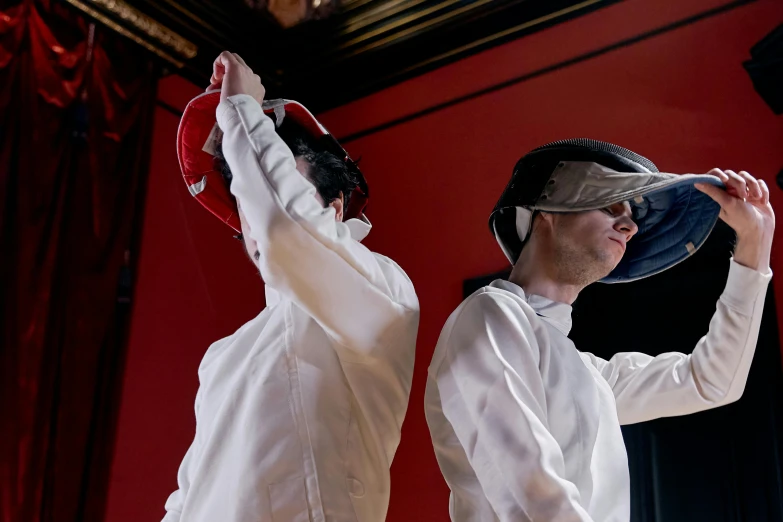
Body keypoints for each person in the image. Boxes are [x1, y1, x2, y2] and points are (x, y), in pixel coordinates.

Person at [424, 138, 774, 521]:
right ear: (548, 212)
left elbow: (711, 381)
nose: (628, 226)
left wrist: (754, 246)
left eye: (632, 219)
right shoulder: (490, 313)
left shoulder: (587, 373)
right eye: (610, 206)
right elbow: (531, 488)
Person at [164, 51, 420, 522]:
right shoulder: (224, 356)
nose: (254, 220)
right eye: (245, 201)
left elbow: (287, 228)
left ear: (335, 209)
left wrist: (241, 107)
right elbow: (187, 499)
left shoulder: (382, 289)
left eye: (267, 187)